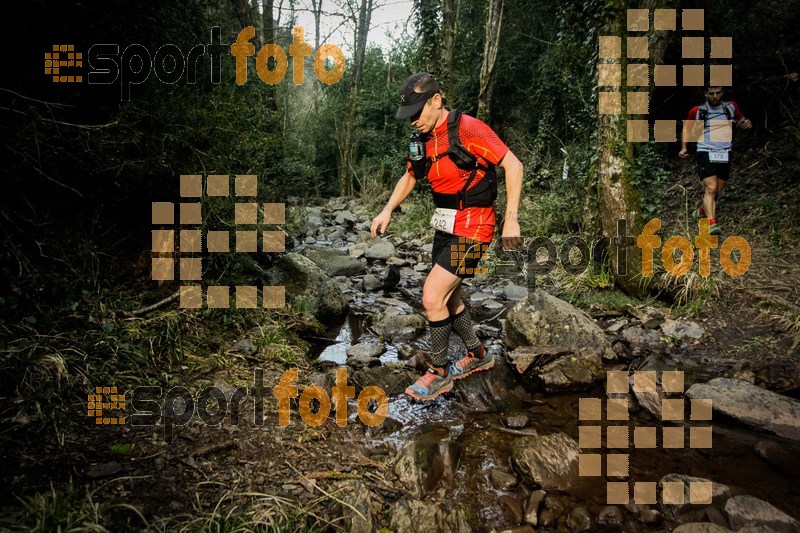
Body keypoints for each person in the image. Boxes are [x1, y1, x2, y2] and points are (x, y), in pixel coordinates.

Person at [370, 72, 523, 401]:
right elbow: (410, 176)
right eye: (408, 115)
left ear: (435, 100)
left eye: (417, 112)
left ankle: (439, 373)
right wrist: (387, 210)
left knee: (431, 297)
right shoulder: (421, 140)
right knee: (449, 298)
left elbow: (513, 165)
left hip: (475, 227)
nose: (413, 121)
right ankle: (478, 355)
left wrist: (511, 219)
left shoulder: (468, 129)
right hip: (446, 226)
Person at [680, 86, 752, 235]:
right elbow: (687, 129)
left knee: (717, 191)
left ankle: (701, 210)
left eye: (717, 93)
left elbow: (742, 120)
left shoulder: (730, 107)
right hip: (705, 151)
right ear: (705, 93)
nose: (714, 96)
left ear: (722, 93)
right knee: (711, 188)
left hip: (725, 152)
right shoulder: (697, 111)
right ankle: (712, 223)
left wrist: (745, 124)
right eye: (711, 93)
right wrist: (684, 147)